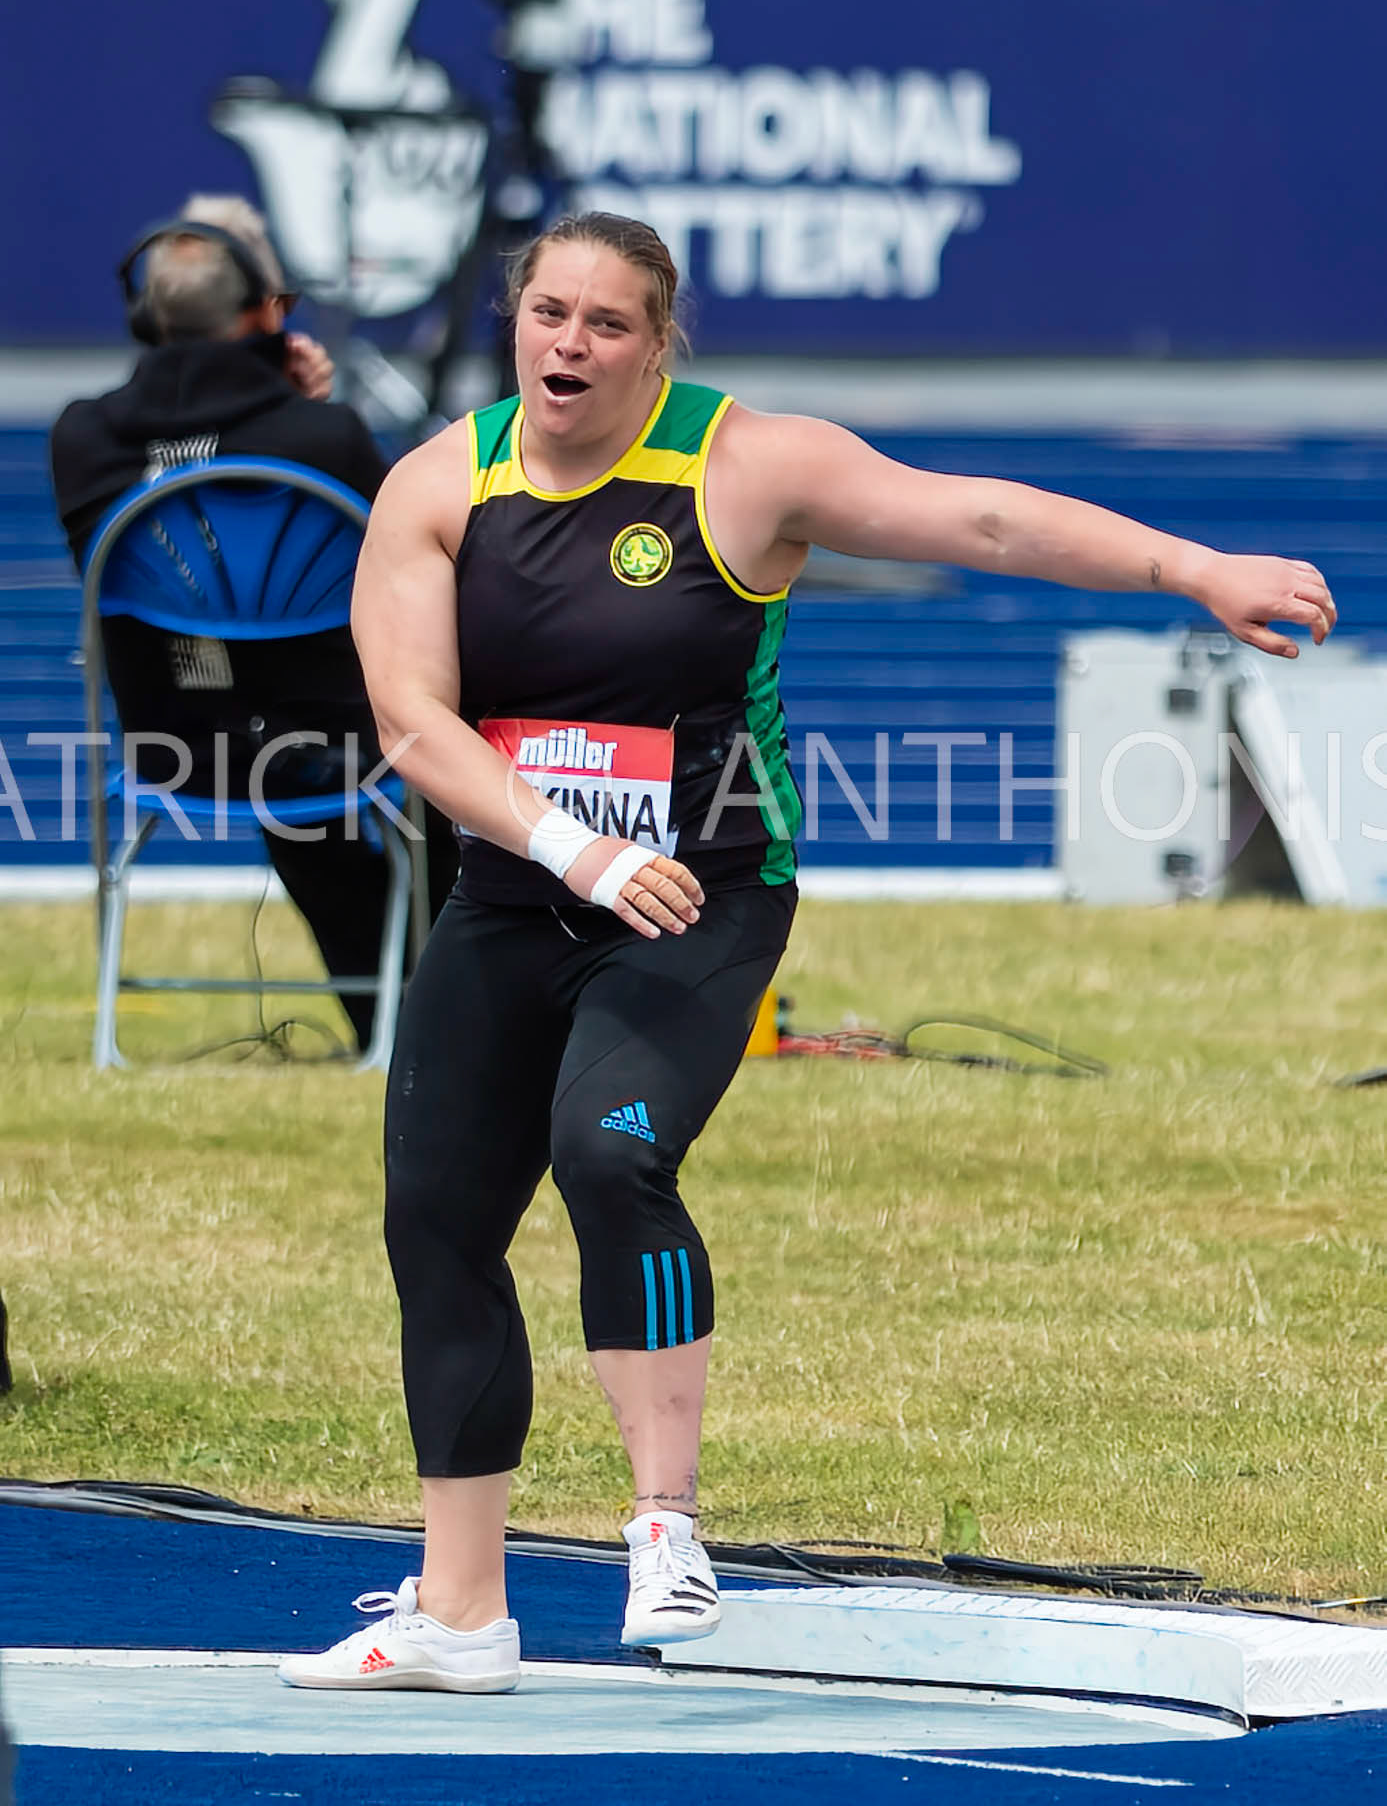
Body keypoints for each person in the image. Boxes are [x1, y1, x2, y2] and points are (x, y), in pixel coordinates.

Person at [278, 210, 1336, 1695]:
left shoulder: (746, 465)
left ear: (658, 343)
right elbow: (412, 722)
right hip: (519, 897)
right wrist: (579, 850)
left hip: (706, 898)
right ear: (514, 319)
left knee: (608, 1152)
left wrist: (1189, 567)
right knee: (435, 1220)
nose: (568, 344)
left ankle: (665, 1524)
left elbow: (978, 521)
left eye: (606, 323)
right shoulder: (440, 483)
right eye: (548, 314)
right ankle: (460, 1612)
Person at [49, 195, 457, 1052]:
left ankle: (399, 1026)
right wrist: (296, 400)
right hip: (351, 747)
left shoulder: (80, 439)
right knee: (442, 755)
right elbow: (415, 569)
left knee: (296, 794)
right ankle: (441, 1019)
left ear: (146, 318)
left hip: (177, 749)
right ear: (264, 317)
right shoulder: (325, 438)